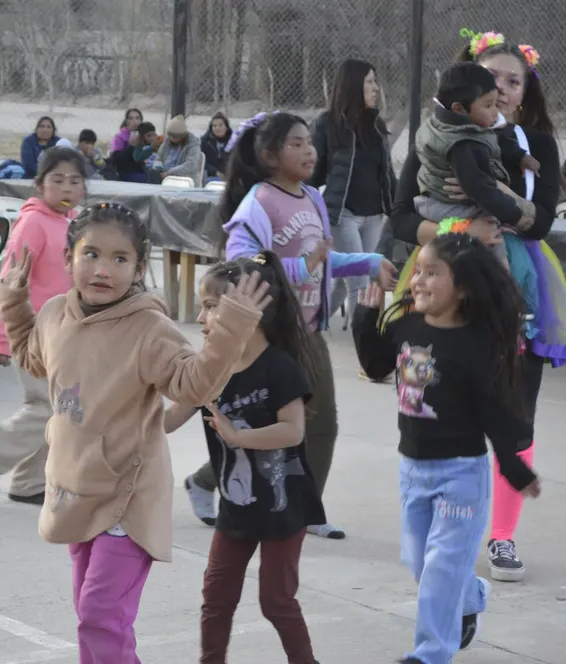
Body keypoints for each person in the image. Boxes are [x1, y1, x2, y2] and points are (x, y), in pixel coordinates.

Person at [0, 202, 271, 663]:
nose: (103, 270)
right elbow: (32, 356)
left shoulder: (150, 330)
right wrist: (14, 302)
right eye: (91, 255)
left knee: (101, 615)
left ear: (140, 267)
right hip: (76, 488)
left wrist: (231, 330)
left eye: (120, 259)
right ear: (68, 259)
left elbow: (194, 383)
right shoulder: (54, 315)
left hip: (127, 494)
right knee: (94, 616)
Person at [389, 30, 566, 582]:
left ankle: (502, 536)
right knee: (431, 398)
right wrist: (458, 222)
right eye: (491, 78)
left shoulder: (535, 145)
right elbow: (400, 217)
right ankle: (442, 521)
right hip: (442, 274)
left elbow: (541, 222)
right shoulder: (438, 137)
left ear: (524, 92)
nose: (501, 88)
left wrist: (498, 204)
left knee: (515, 407)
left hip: (518, 286)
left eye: (512, 81)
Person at [183, 112, 397, 539]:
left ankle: (305, 508)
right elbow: (241, 269)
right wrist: (301, 267)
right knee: (260, 425)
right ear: (268, 155)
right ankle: (208, 481)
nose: (308, 151)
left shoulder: (312, 199)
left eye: (309, 142)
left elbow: (322, 265)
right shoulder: (258, 204)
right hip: (266, 336)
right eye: (296, 144)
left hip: (307, 330)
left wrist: (369, 263)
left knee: (321, 424)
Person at [352, 235, 541, 664]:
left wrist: (513, 467)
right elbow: (376, 365)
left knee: (439, 571)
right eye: (418, 270)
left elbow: (497, 414)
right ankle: (470, 594)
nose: (417, 280)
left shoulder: (478, 345)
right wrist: (367, 319)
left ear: (464, 288)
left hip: (460, 475)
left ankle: (431, 653)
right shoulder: (406, 325)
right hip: (412, 469)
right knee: (422, 564)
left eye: (432, 273)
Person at [165, 253, 325, 664]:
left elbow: (293, 430)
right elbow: (168, 420)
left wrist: (238, 436)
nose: (200, 318)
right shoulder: (210, 371)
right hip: (236, 508)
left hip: (284, 508)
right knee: (216, 599)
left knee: (276, 601)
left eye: (210, 307)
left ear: (249, 312)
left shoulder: (280, 368)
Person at [0, 148, 86, 505]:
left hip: (63, 336)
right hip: (31, 334)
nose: (66, 188)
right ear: (39, 185)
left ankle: (28, 483)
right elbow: (10, 279)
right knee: (49, 408)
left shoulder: (73, 223)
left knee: (63, 408)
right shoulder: (33, 223)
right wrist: (0, 338)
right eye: (57, 180)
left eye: (75, 181)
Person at [309, 59, 398, 332]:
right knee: (359, 281)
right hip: (343, 215)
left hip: (373, 216)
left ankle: (309, 322)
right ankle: (364, 345)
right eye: (369, 81)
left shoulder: (377, 126)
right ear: (353, 85)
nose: (375, 88)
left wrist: (399, 206)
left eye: (375, 81)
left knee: (348, 278)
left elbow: (387, 174)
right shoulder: (327, 124)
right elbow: (312, 170)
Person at [414, 62, 538, 234]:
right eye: (488, 106)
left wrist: (519, 155)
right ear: (459, 109)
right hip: (449, 209)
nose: (495, 111)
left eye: (495, 104)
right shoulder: (464, 145)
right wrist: (515, 216)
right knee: (491, 237)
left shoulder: (445, 125)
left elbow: (492, 140)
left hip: (431, 201)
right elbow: (481, 188)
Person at [153, 115, 202, 183]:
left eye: (175, 136)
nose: (172, 138)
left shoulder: (193, 144)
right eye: (171, 136)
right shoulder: (167, 141)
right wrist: (158, 166)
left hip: (184, 178)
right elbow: (159, 157)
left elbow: (190, 165)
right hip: (165, 175)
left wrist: (170, 172)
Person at [200, 112, 232, 183]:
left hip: (229, 176)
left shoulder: (234, 141)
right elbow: (202, 162)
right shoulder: (204, 141)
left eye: (220, 125)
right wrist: (216, 172)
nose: (217, 128)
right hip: (210, 176)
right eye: (214, 126)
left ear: (226, 127)